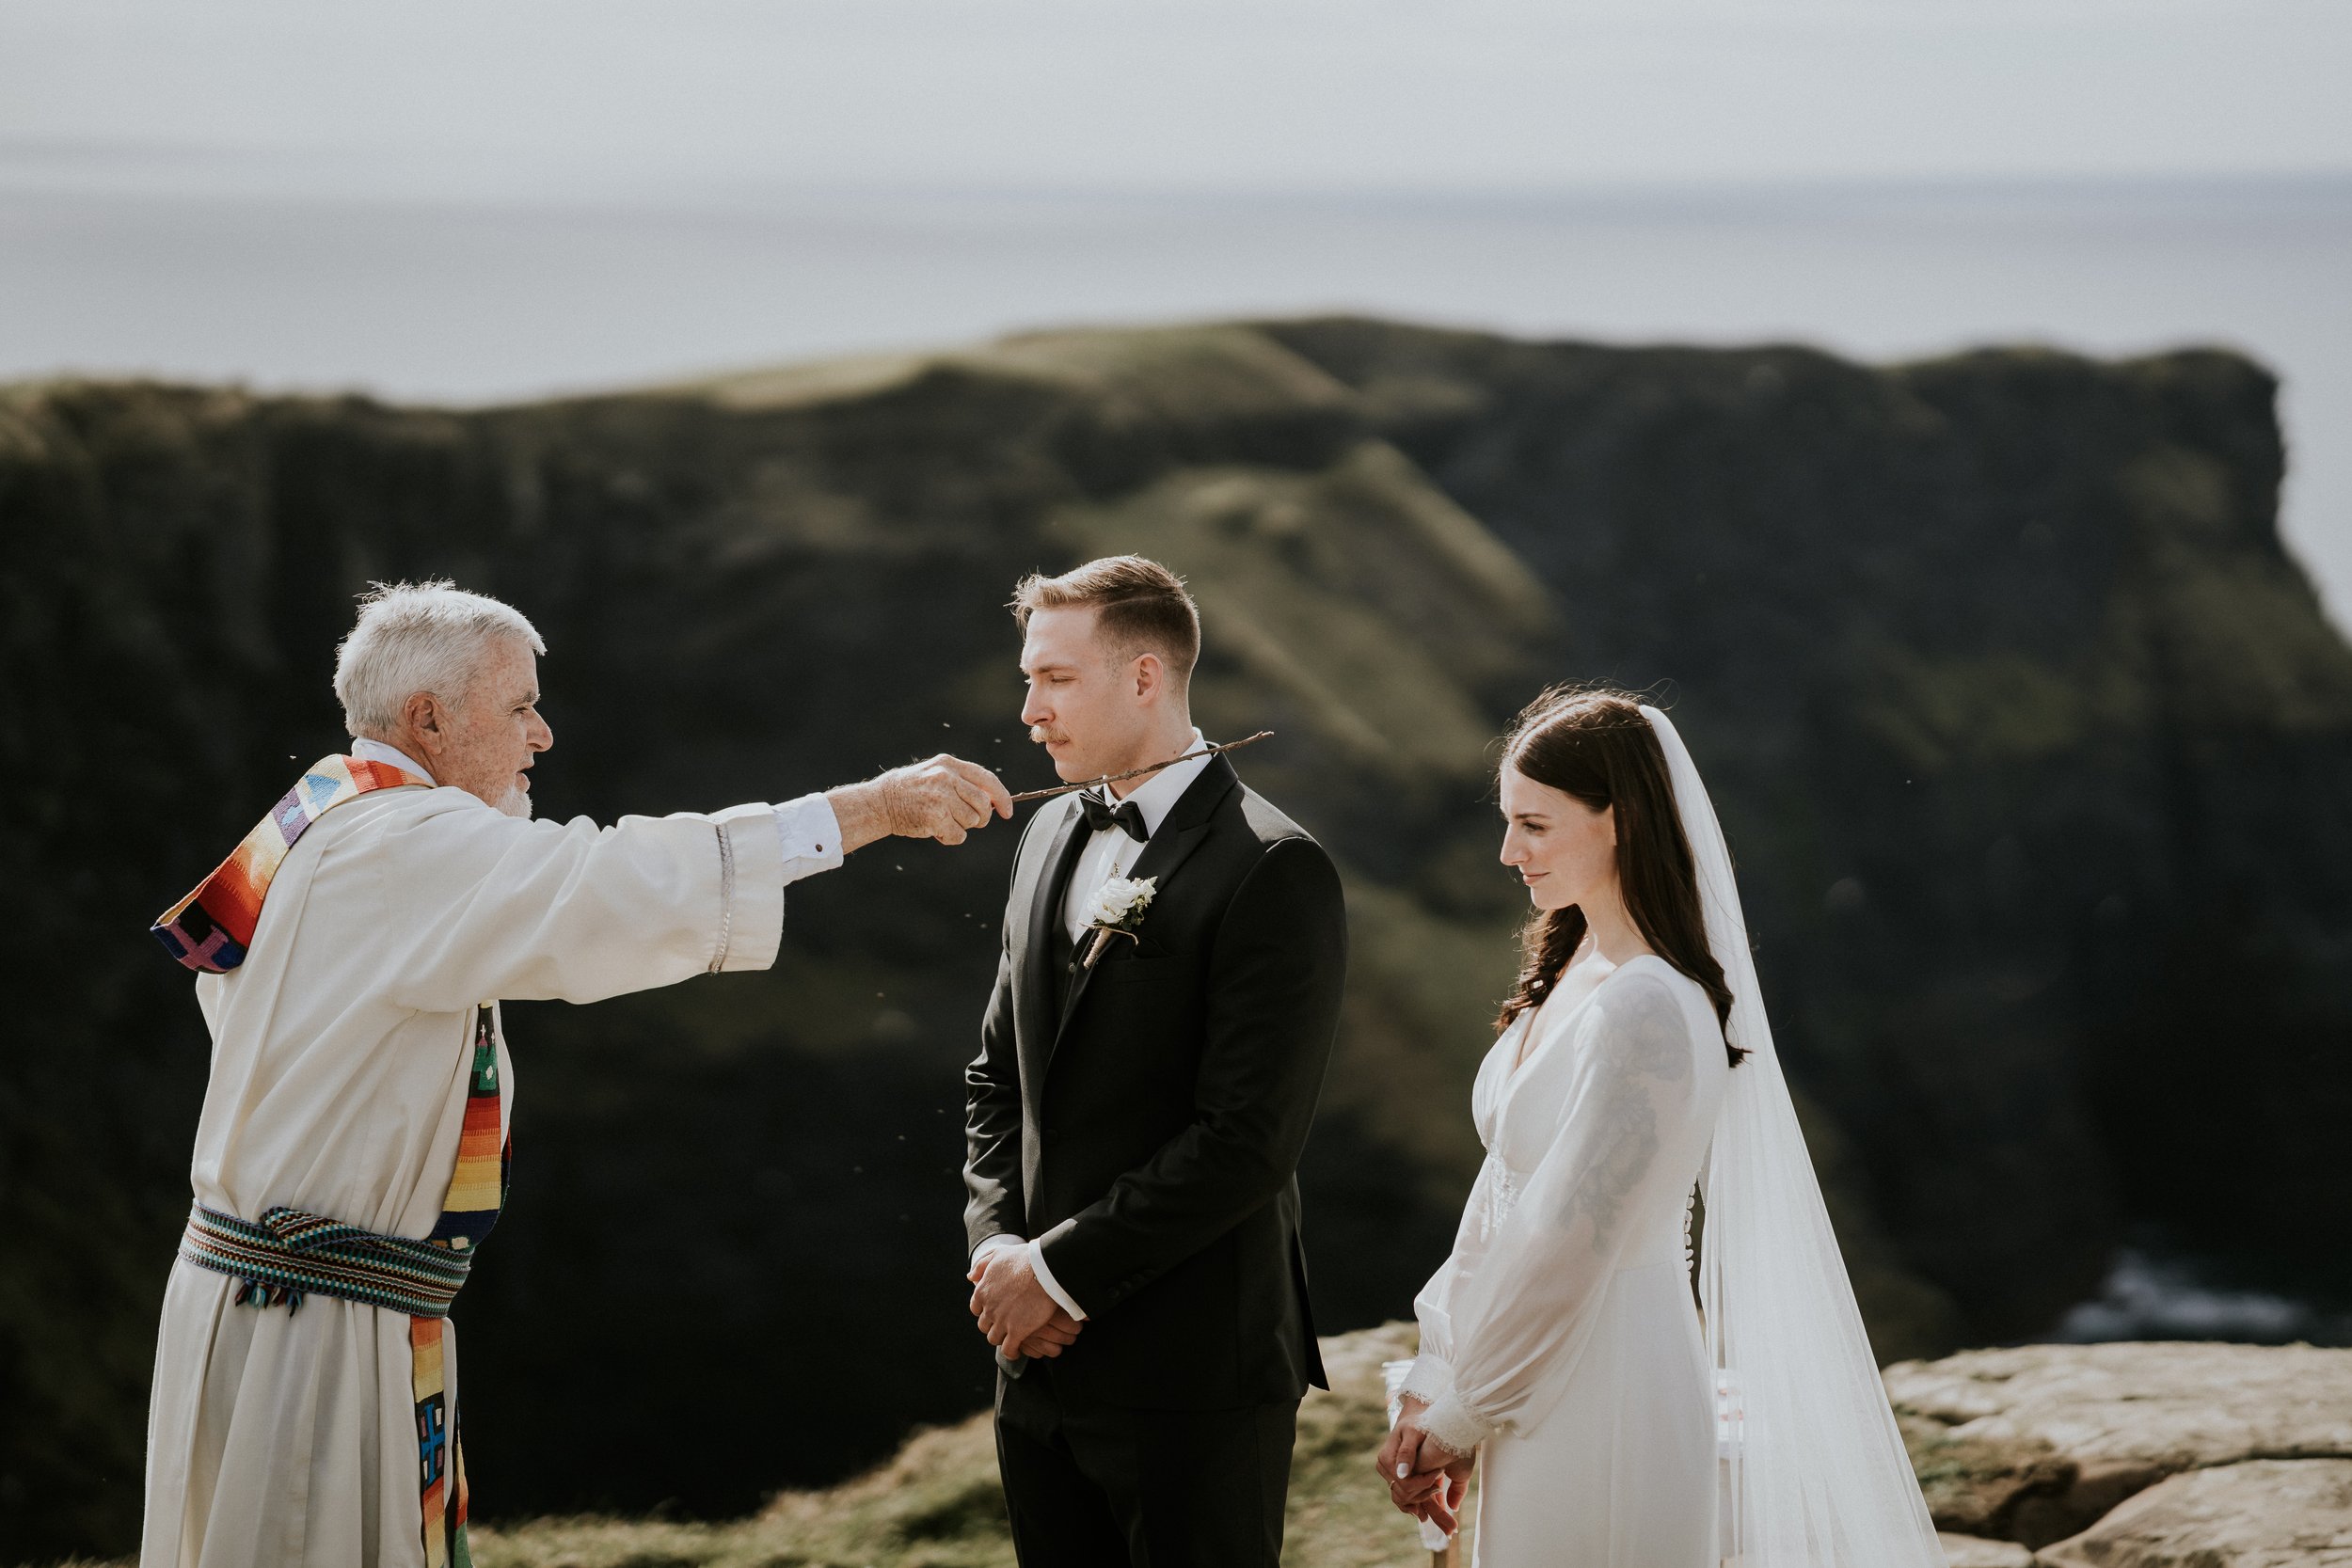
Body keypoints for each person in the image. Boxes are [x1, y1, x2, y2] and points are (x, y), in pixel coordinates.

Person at [140, 580, 1012, 1568]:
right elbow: (611, 879)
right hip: (311, 1326)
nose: (543, 734)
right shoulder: (401, 845)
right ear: (428, 717)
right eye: (518, 705)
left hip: (263, 1292)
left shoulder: (316, 814)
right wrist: (873, 808)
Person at [1375, 688, 1946, 1567]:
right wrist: (1434, 1380)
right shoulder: (1574, 967)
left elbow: (1572, 1238)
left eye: (1534, 823)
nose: (1506, 851)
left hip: (1611, 1383)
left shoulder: (1647, 1005)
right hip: (1530, 1378)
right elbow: (1501, 1198)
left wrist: (1462, 1414)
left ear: (1620, 820)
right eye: (1507, 821)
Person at [961, 556, 1348, 1568]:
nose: (1029, 709)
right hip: (1034, 1362)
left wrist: (1058, 1269)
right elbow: (996, 1076)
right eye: (1028, 678)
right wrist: (1001, 1251)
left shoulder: (1273, 866)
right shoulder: (1044, 832)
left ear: (1143, 676)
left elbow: (1246, 1141)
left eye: (1055, 678)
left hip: (1194, 1372)